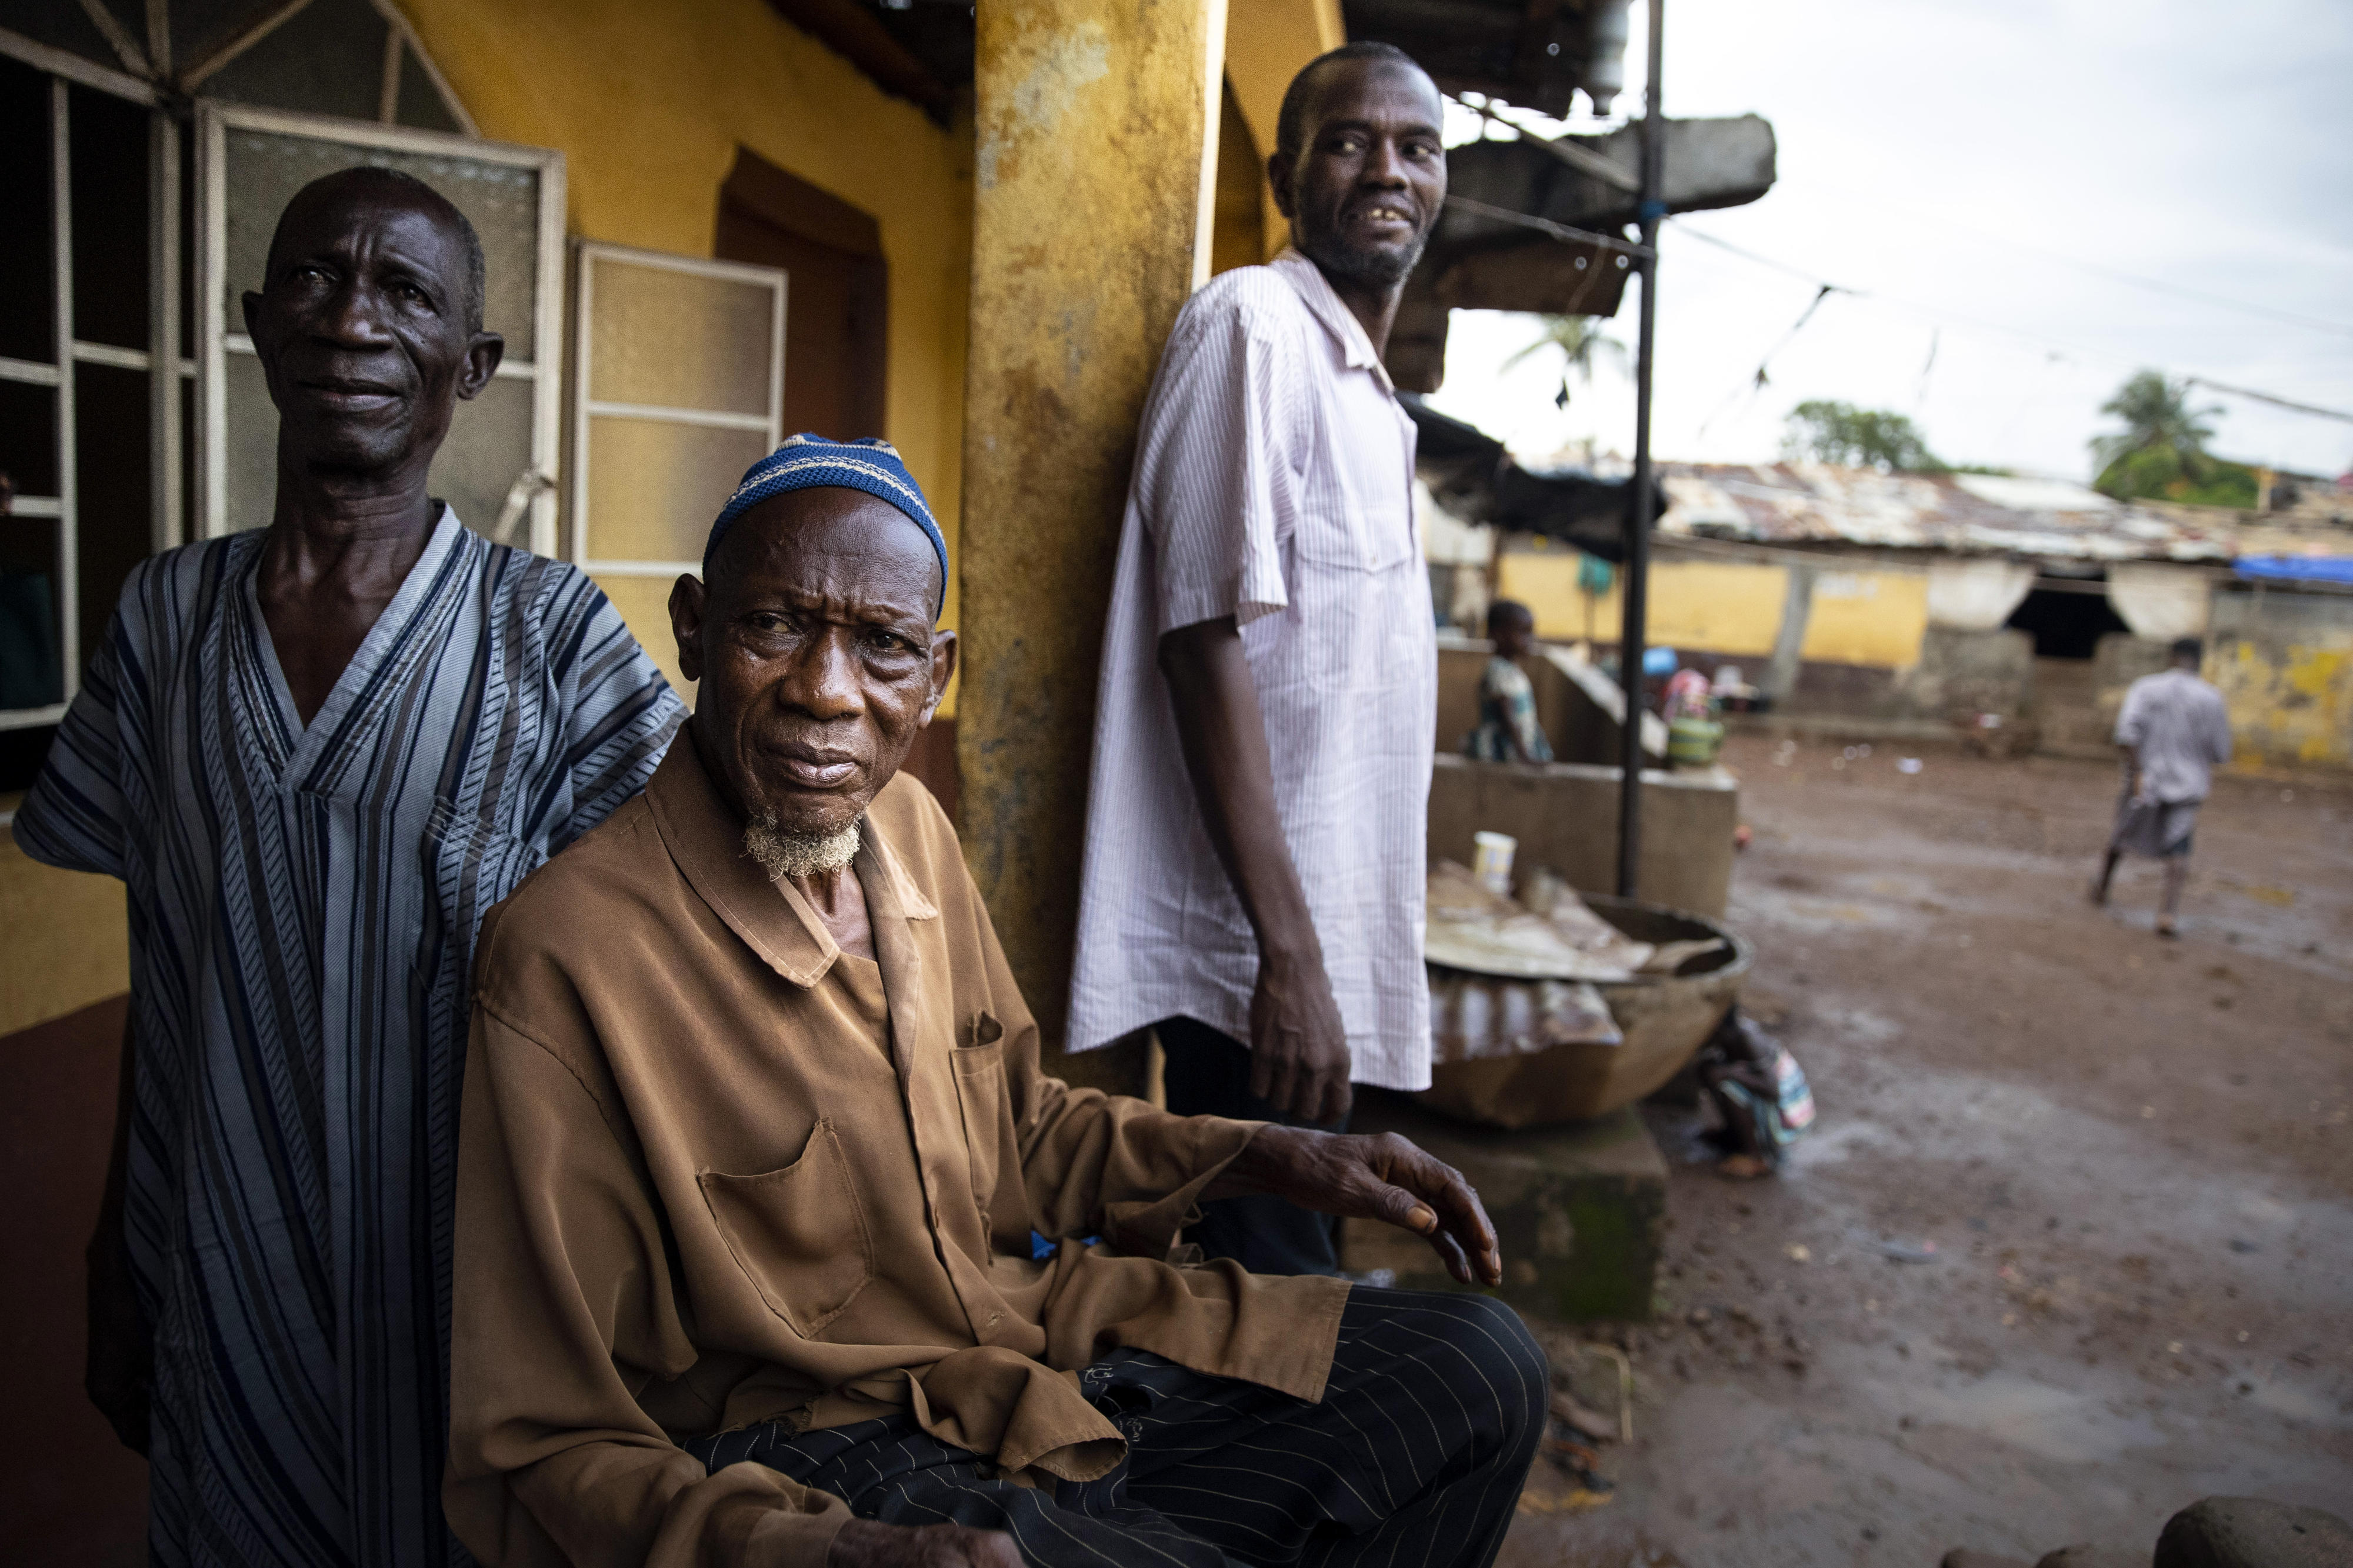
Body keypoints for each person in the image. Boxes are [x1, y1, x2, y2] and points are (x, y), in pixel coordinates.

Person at [442, 439, 1544, 1568]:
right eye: (775, 627)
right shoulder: (568, 956)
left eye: (883, 647)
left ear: (938, 673)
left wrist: (1274, 1152)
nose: (827, 692)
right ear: (693, 630)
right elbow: (539, 1443)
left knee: (1481, 1370)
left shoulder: (910, 831)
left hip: (1028, 1347)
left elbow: (1020, 1125)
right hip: (815, 1456)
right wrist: (838, 1555)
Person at [12, 168, 684, 1564]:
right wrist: (113, 1256)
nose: (351, 322)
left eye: (406, 292)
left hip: (476, 1284)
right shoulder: (163, 618)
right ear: (258, 323)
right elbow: (168, 953)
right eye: (315, 279)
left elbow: (684, 953)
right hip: (218, 1265)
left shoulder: (548, 635)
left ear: (474, 364)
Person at [1066, 42, 1448, 1276]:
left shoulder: (1370, 399)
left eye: (1416, 147)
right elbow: (1200, 640)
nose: (1386, 168)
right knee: (1265, 1324)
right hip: (1255, 969)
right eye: (1349, 140)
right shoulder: (1253, 326)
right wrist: (1286, 959)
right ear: (1287, 174)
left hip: (1312, 961)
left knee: (1286, 1308)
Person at [2090, 636, 2232, 938]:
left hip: (2146, 778)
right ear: (2199, 659)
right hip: (2189, 783)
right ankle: (2167, 912)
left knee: (2122, 832)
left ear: (2171, 656)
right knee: (2179, 844)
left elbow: (2126, 734)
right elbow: (2221, 752)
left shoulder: (2146, 687)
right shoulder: (2211, 698)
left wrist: (2139, 771)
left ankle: (2102, 887)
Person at [1465, 599, 1553, 762]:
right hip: (1504, 752)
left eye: (1530, 632)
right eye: (1523, 632)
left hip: (1516, 748)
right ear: (1499, 635)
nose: (1530, 639)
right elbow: (1508, 716)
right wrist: (1524, 755)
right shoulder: (1499, 671)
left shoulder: (1510, 669)